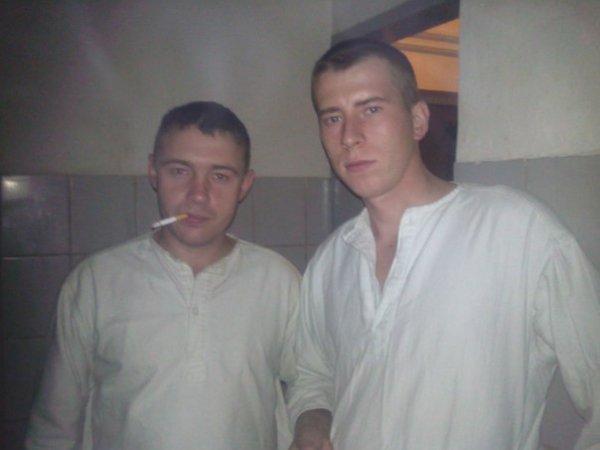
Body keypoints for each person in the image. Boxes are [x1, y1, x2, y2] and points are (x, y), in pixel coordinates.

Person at [286, 39, 600, 449]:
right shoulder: (331, 260)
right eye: (333, 117)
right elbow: (313, 376)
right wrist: (311, 422)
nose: (349, 137)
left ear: (418, 120)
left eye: (371, 109)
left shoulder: (517, 231)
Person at [26, 101, 300, 449]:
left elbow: (309, 385)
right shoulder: (94, 283)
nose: (198, 195)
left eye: (220, 176)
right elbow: (55, 426)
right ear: (153, 171)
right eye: (180, 171)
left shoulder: (279, 280)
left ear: (244, 185)